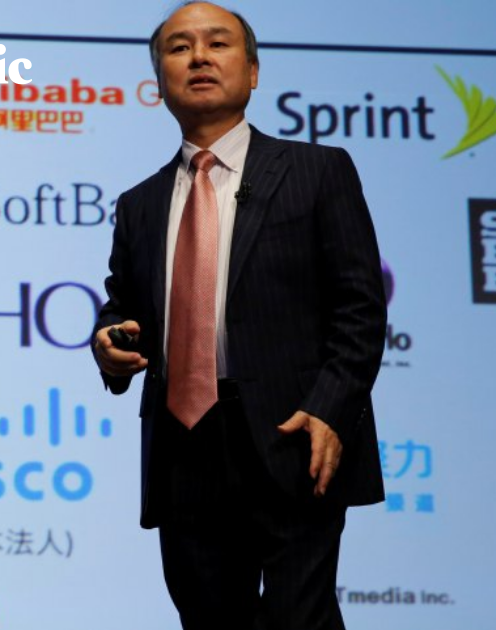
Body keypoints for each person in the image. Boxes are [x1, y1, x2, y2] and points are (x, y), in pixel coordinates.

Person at [90, 2, 387, 629]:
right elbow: (126, 307)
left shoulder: (316, 170)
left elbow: (360, 307)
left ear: (253, 72)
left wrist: (331, 408)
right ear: (159, 82)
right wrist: (110, 343)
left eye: (217, 43)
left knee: (299, 618)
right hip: (184, 448)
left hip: (294, 433)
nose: (199, 57)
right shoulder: (139, 204)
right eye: (179, 48)